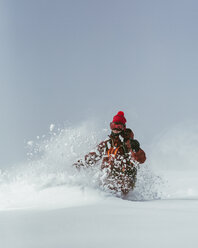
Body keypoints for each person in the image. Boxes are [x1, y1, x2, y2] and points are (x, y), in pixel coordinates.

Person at [74, 111, 146, 195]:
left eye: (118, 126)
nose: (115, 129)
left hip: (124, 180)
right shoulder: (107, 143)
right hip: (108, 179)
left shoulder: (127, 143)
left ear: (123, 127)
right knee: (101, 187)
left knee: (112, 190)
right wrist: (80, 164)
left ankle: (115, 200)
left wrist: (136, 149)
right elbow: (93, 156)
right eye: (113, 126)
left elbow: (141, 159)